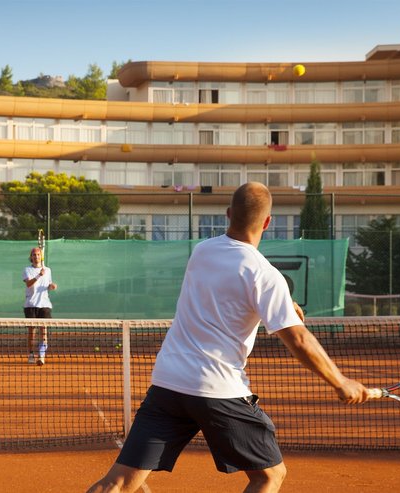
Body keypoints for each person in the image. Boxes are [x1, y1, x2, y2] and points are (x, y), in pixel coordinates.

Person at [86, 182, 369, 493]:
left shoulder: (203, 251)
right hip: (217, 388)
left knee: (119, 482)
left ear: (228, 214)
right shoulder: (265, 275)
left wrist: (283, 303)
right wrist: (341, 382)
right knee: (269, 476)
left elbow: (227, 291)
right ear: (268, 222)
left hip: (168, 383)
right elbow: (298, 340)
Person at [23, 247, 57, 366]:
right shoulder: (27, 269)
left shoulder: (48, 270)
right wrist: (38, 275)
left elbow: (47, 284)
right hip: (31, 305)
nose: (36, 257)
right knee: (32, 332)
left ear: (41, 256)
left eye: (38, 254)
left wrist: (51, 286)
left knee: (44, 331)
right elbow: (28, 284)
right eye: (34, 255)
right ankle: (31, 354)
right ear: (31, 257)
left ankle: (41, 356)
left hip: (45, 305)